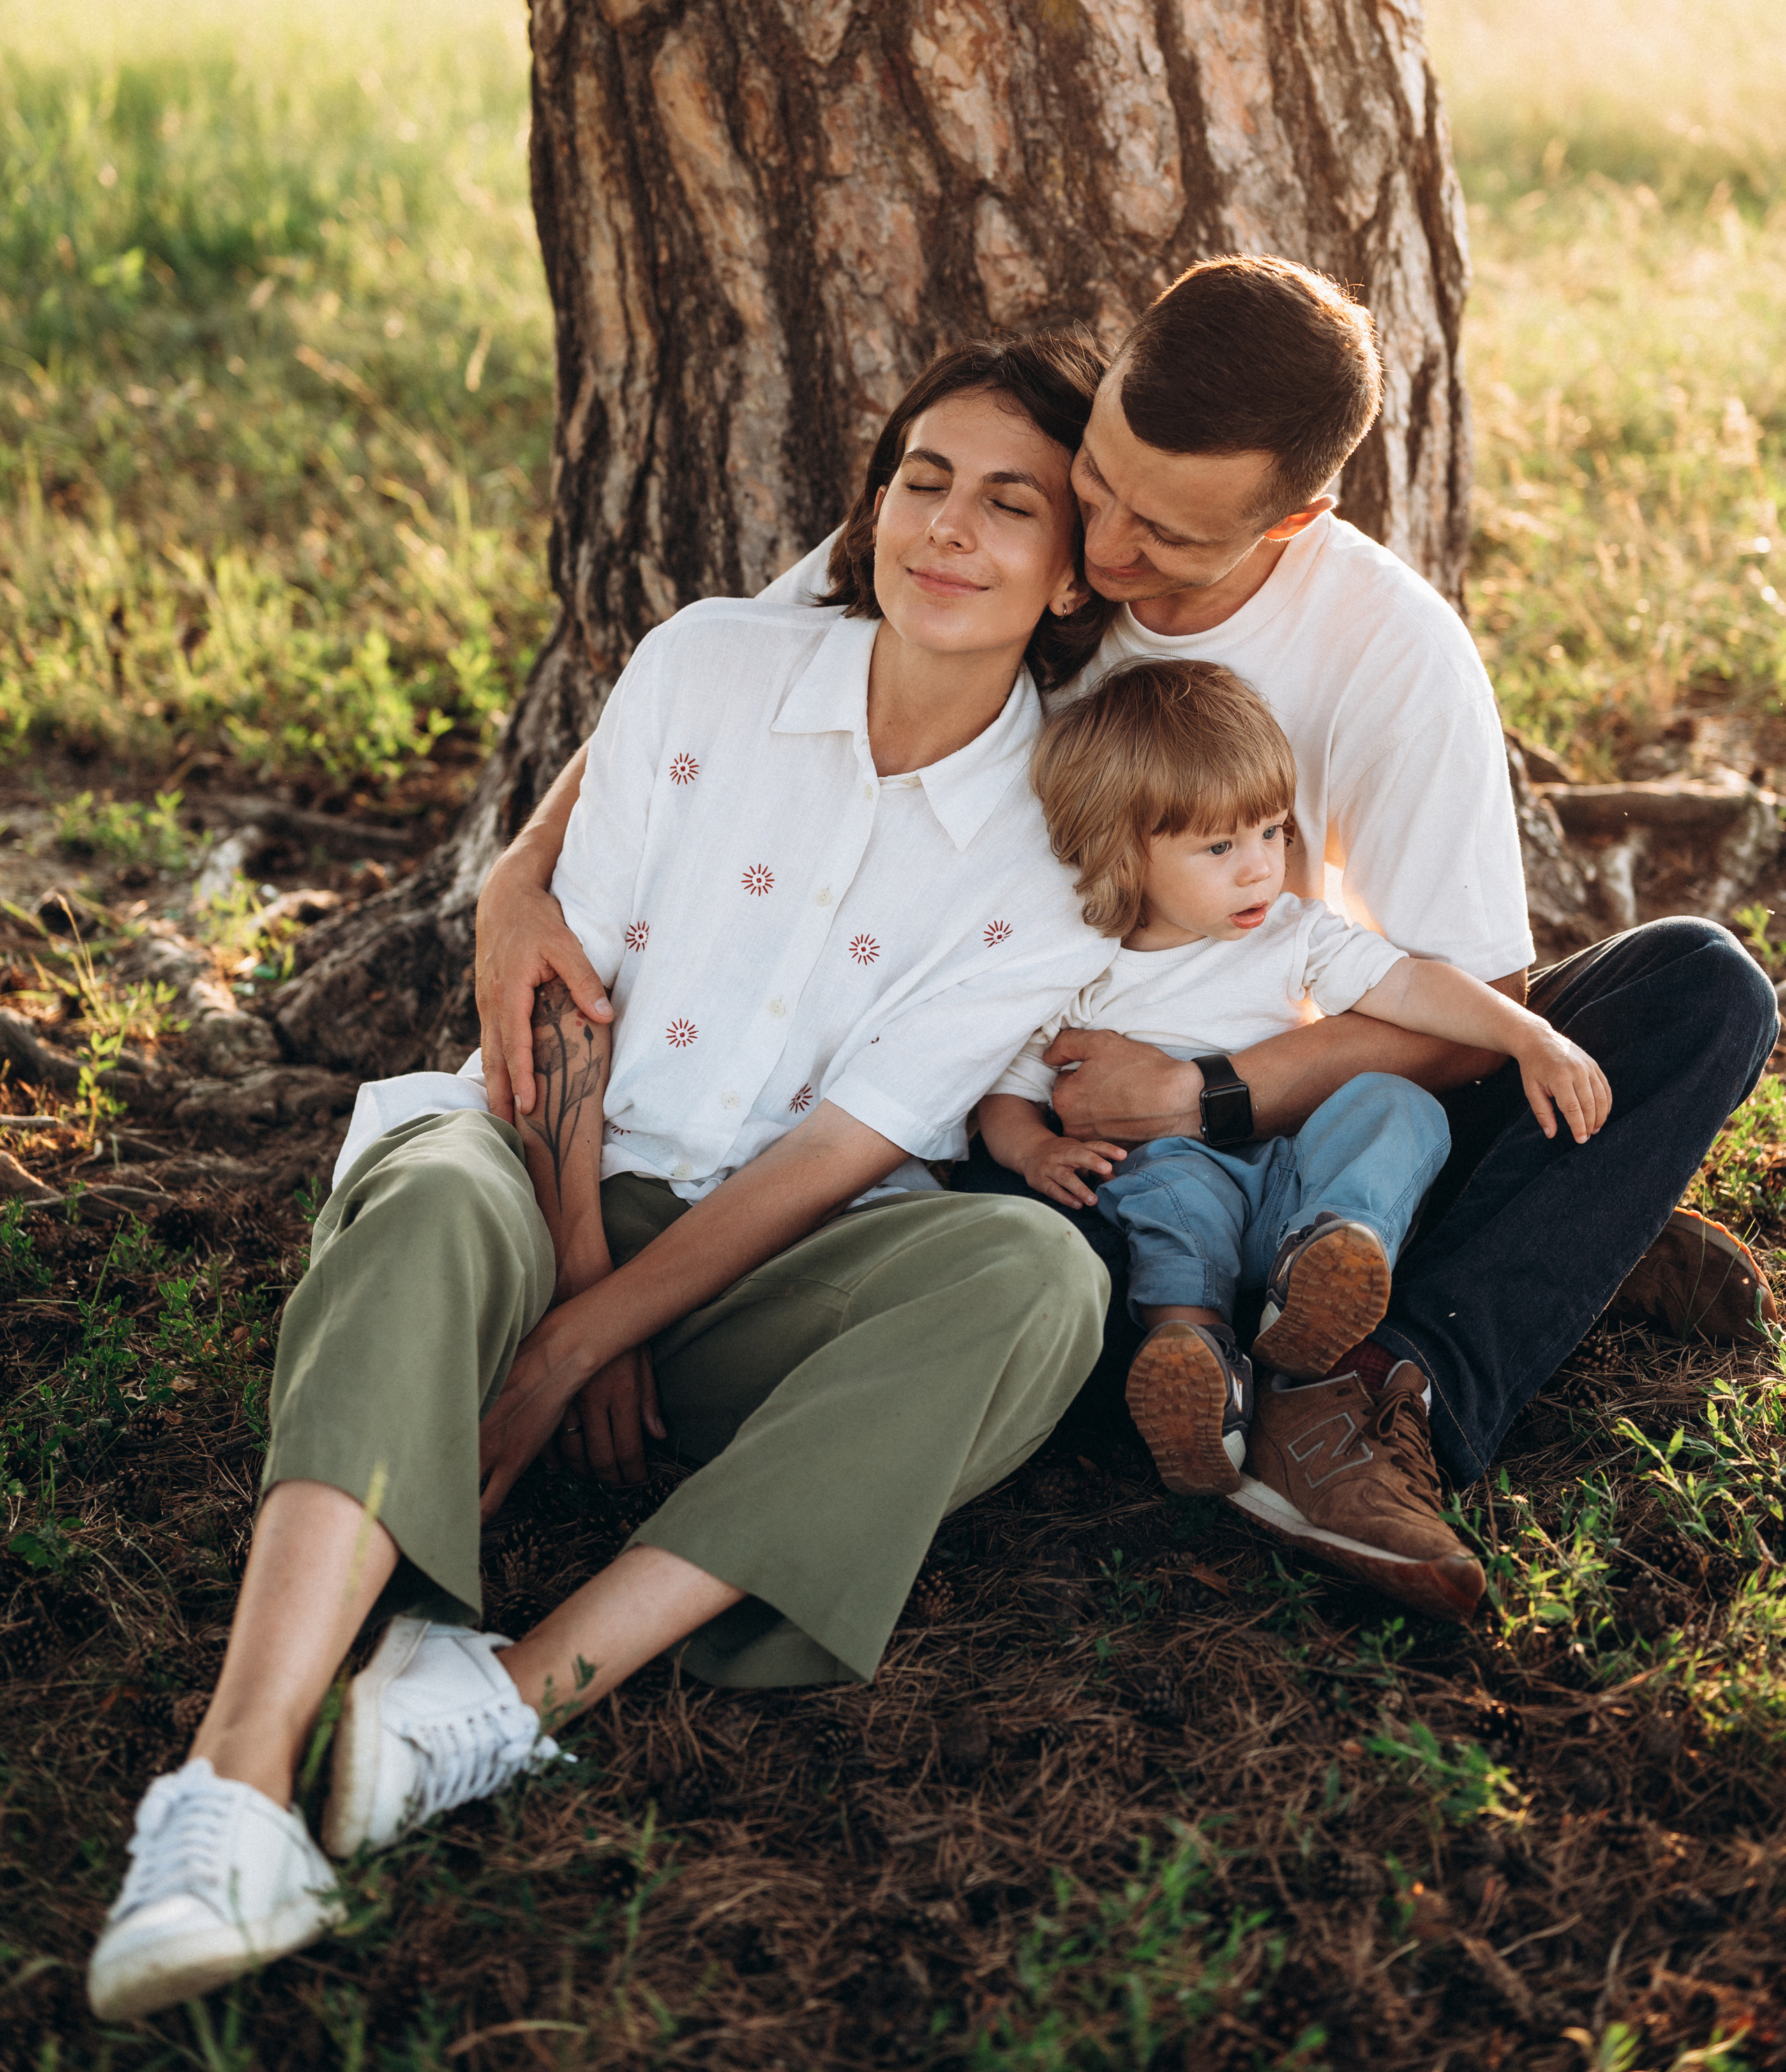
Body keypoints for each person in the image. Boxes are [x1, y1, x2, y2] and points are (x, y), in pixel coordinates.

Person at [474, 259, 1778, 1619]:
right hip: (1052, 1122)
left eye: (1163, 535)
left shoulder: (1390, 646)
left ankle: (1376, 1389)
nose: (1100, 554)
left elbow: (1479, 996)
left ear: (1295, 517)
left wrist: (1203, 1090)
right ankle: (1460, 1262)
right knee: (1025, 1255)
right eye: (1098, 484)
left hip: (1284, 1060)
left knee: (1694, 989)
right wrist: (521, 873)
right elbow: (738, 660)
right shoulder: (1009, 498)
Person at [87, 336, 1123, 2024]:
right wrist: (571, 1288)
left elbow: (839, 1152)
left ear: (1075, 566)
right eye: (920, 479)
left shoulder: (1064, 832)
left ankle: (493, 1697)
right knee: (427, 1199)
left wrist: (593, 1343)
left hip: (771, 1270)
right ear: (867, 505)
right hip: (536, 1168)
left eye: (1011, 504)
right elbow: (563, 992)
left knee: (1036, 1280)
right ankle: (230, 1788)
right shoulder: (711, 665)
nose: (948, 527)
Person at [977, 659, 1607, 1607]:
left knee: (1398, 1104)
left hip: (1298, 1174)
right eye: (1221, 846)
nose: (1264, 866)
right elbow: (1003, 1092)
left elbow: (1412, 992)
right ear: (1122, 852)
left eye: (1274, 831)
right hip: (1183, 1186)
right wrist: (1034, 1149)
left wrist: (1530, 1034)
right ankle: (1196, 1374)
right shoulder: (1082, 972)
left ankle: (1323, 1272)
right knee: (1165, 1184)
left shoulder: (1296, 933)